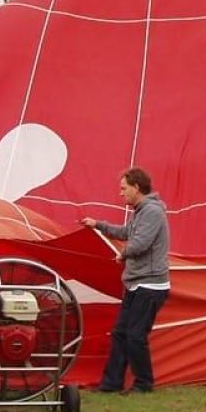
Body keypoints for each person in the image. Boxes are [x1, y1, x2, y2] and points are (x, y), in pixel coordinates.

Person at [80, 166, 170, 393]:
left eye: (123, 188)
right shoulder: (140, 212)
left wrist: (123, 254)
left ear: (136, 187)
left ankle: (144, 383)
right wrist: (97, 224)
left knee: (135, 336)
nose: (120, 193)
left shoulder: (152, 212)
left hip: (150, 286)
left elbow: (141, 243)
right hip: (136, 283)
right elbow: (125, 233)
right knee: (121, 334)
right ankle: (111, 384)